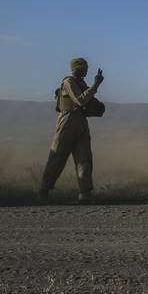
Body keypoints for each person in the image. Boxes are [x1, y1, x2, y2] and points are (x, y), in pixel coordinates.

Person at [38, 58, 104, 203]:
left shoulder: (81, 83)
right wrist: (95, 85)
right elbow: (80, 100)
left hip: (80, 121)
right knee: (57, 157)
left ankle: (85, 194)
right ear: (77, 68)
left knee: (84, 159)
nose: (86, 70)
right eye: (83, 67)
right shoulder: (68, 82)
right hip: (67, 121)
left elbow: (88, 101)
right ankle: (44, 191)